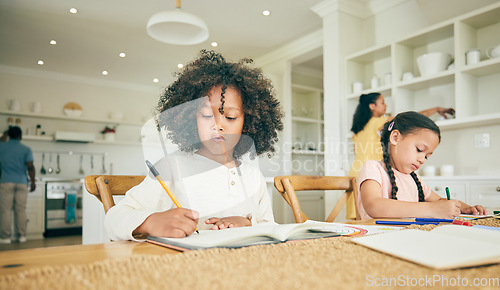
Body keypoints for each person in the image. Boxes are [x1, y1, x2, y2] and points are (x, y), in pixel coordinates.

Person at [105, 50, 284, 241]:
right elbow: (113, 219)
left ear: (247, 124)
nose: (218, 125)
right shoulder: (171, 167)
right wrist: (150, 222)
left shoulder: (253, 176)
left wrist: (247, 223)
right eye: (207, 115)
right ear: (192, 120)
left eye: (230, 117)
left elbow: (269, 227)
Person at [357, 111, 485, 219]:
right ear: (395, 137)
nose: (422, 160)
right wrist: (431, 209)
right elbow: (374, 206)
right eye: (419, 149)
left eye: (427, 157)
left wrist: (464, 207)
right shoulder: (373, 168)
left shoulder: (414, 179)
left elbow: (440, 201)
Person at [346, 92, 455, 219]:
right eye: (382, 102)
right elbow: (411, 122)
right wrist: (435, 110)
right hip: (376, 172)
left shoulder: (358, 131)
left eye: (426, 156)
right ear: (372, 106)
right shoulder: (378, 122)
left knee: (356, 218)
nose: (385, 105)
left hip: (356, 170)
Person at [0, 126, 36, 244]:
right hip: (21, 182)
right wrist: (33, 182)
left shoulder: (2, 146)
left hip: (6, 181)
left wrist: (4, 135)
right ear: (21, 136)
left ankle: (5, 238)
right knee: (21, 210)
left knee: (5, 210)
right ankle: (22, 236)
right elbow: (30, 166)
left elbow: (1, 140)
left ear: (9, 135)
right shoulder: (26, 149)